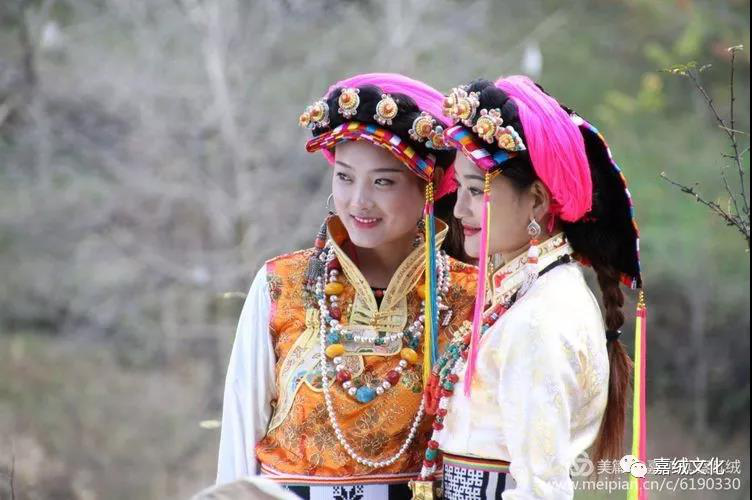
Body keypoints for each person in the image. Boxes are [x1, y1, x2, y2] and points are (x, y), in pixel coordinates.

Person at [216, 73, 478, 499]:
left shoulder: (471, 297)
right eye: (344, 177)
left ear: (427, 187)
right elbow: (239, 437)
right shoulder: (281, 285)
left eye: (383, 181)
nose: (359, 201)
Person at [415, 75, 646, 499]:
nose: (460, 209)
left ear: (537, 201)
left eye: (475, 190)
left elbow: (540, 491)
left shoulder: (540, 319)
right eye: (459, 189)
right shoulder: (530, 293)